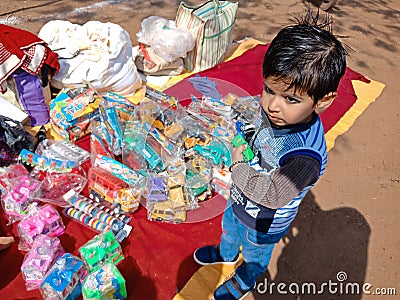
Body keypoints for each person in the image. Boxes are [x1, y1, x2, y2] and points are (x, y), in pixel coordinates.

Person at [193, 15, 347, 300]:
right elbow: (256, 117)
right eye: (269, 90)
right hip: (240, 198)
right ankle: (225, 253)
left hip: (263, 221)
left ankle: (246, 278)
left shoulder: (304, 156)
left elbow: (273, 193)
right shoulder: (276, 114)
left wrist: (238, 164)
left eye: (290, 99)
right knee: (229, 229)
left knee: (254, 253)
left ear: (323, 101)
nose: (273, 105)